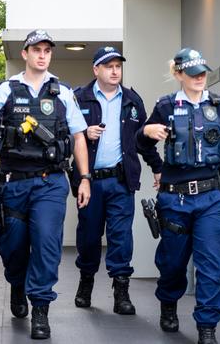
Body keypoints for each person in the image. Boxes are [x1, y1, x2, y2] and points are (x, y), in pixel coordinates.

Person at [0, 29, 91, 340]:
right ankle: (17, 283)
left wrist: (84, 177)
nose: (43, 55)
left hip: (51, 183)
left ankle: (41, 309)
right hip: (14, 184)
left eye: (47, 50)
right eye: (37, 49)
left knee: (46, 243)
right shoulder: (6, 91)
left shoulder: (63, 92)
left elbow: (78, 137)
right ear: (25, 54)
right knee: (13, 246)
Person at [136, 48, 220, 344]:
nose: (200, 78)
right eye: (192, 73)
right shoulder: (165, 106)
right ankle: (169, 303)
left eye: (203, 73)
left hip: (213, 197)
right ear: (178, 74)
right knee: (173, 263)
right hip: (175, 200)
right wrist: (147, 133)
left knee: (212, 263)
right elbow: (142, 145)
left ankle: (207, 327)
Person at [70, 46, 160, 315]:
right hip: (90, 183)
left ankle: (121, 292)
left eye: (118, 66)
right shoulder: (78, 98)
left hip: (121, 182)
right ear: (95, 69)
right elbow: (64, 138)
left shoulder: (132, 100)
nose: (114, 71)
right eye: (108, 66)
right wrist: (84, 133)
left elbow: (144, 140)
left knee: (121, 238)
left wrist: (157, 167)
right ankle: (86, 283)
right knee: (88, 238)